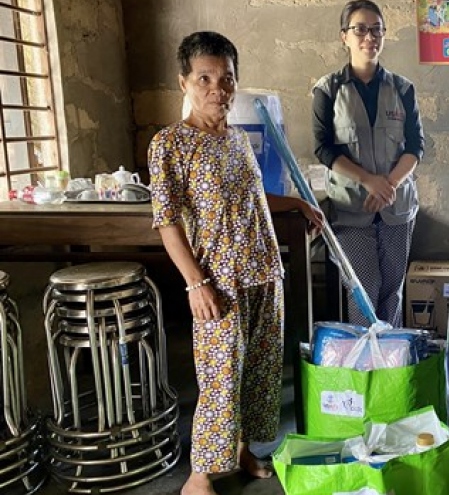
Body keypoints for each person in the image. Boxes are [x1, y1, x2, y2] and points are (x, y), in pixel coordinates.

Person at [149, 31, 324, 495]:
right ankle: (200, 474)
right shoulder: (170, 144)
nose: (217, 89)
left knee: (262, 373)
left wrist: (297, 206)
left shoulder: (238, 140)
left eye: (226, 79)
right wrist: (194, 283)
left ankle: (244, 448)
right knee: (220, 377)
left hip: (265, 271)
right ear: (183, 81)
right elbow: (167, 222)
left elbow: (251, 198)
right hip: (219, 281)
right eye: (204, 77)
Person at [312, 0, 425, 328]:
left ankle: (390, 366)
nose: (369, 37)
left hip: (397, 208)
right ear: (344, 36)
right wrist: (367, 181)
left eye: (377, 29)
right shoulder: (329, 89)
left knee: (392, 291)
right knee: (363, 291)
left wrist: (388, 184)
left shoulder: (402, 88)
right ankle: (364, 370)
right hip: (351, 210)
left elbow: (417, 146)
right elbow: (323, 147)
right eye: (360, 29)